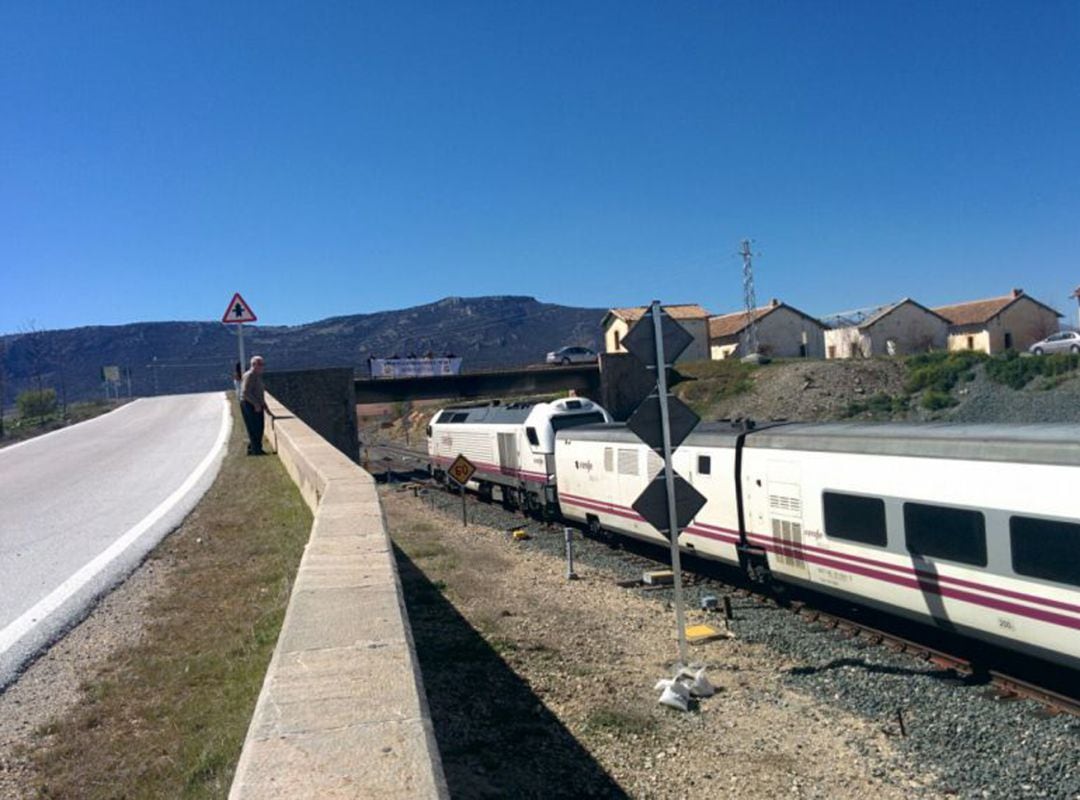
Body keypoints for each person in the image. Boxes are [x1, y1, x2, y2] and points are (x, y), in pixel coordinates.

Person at [240, 355, 267, 455]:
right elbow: (245, 392)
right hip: (249, 405)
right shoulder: (250, 375)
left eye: (262, 364)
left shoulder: (256, 376)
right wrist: (256, 404)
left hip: (255, 404)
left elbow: (259, 392)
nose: (262, 366)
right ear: (253, 365)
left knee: (259, 427)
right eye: (260, 364)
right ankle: (256, 450)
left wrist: (264, 405)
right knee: (255, 428)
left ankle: (254, 448)